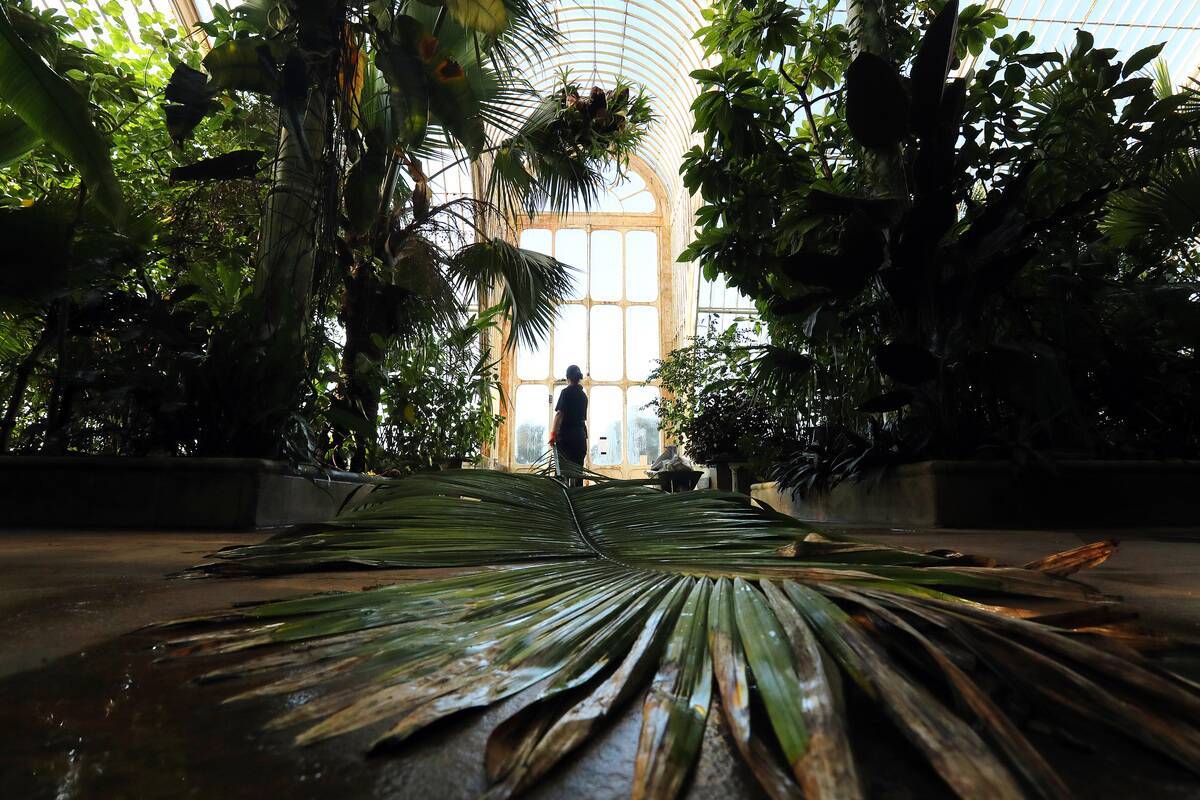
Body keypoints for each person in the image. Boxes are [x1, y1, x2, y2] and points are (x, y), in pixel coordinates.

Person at [549, 364, 587, 485]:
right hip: (580, 437)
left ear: (567, 377)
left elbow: (559, 415)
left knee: (562, 472)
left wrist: (552, 435)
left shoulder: (566, 392)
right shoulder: (583, 396)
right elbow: (582, 419)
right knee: (578, 471)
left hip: (566, 437)